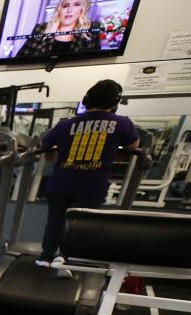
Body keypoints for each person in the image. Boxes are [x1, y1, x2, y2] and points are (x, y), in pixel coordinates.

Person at [36, 79, 139, 276]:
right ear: (115, 104)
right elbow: (133, 146)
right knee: (80, 225)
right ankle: (66, 259)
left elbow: (45, 144)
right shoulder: (121, 123)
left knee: (55, 221)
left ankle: (45, 257)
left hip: (61, 182)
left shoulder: (66, 124)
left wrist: (54, 155)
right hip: (92, 185)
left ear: (86, 100)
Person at [14, 0, 100, 60]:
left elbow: (95, 62)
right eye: (65, 6)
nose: (69, 10)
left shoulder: (90, 31)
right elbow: (20, 59)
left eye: (76, 4)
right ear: (59, 9)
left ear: (82, 9)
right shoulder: (41, 28)